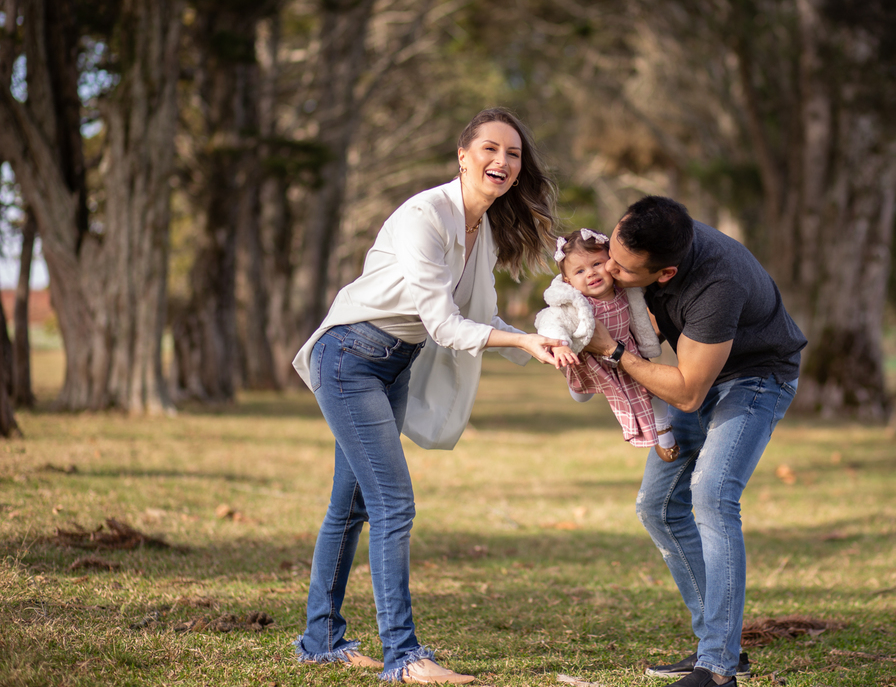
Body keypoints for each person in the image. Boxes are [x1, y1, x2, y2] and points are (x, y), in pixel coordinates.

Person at [290, 108, 567, 683]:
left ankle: (321, 640)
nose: (503, 161)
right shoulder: (425, 215)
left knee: (355, 505)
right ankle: (404, 657)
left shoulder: (483, 228)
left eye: (513, 154)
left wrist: (552, 344)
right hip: (349, 358)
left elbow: (481, 317)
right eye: (490, 149)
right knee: (394, 502)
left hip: (392, 366)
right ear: (463, 156)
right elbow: (444, 325)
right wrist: (523, 343)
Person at [583, 196, 807, 687]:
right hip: (697, 373)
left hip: (755, 377)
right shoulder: (645, 237)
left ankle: (718, 667)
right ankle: (720, 644)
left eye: (621, 268)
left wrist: (611, 350)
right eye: (611, 251)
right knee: (657, 507)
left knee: (712, 496)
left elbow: (686, 392)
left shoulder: (715, 284)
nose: (609, 269)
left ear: (664, 275)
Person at [534, 229, 679, 462]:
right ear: (569, 282)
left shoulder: (626, 291)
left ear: (611, 264)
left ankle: (663, 431)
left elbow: (642, 314)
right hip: (589, 359)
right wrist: (560, 345)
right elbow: (549, 320)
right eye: (580, 271)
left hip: (626, 352)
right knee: (581, 394)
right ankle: (577, 386)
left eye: (597, 264)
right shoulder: (575, 304)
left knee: (652, 393)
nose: (591, 273)